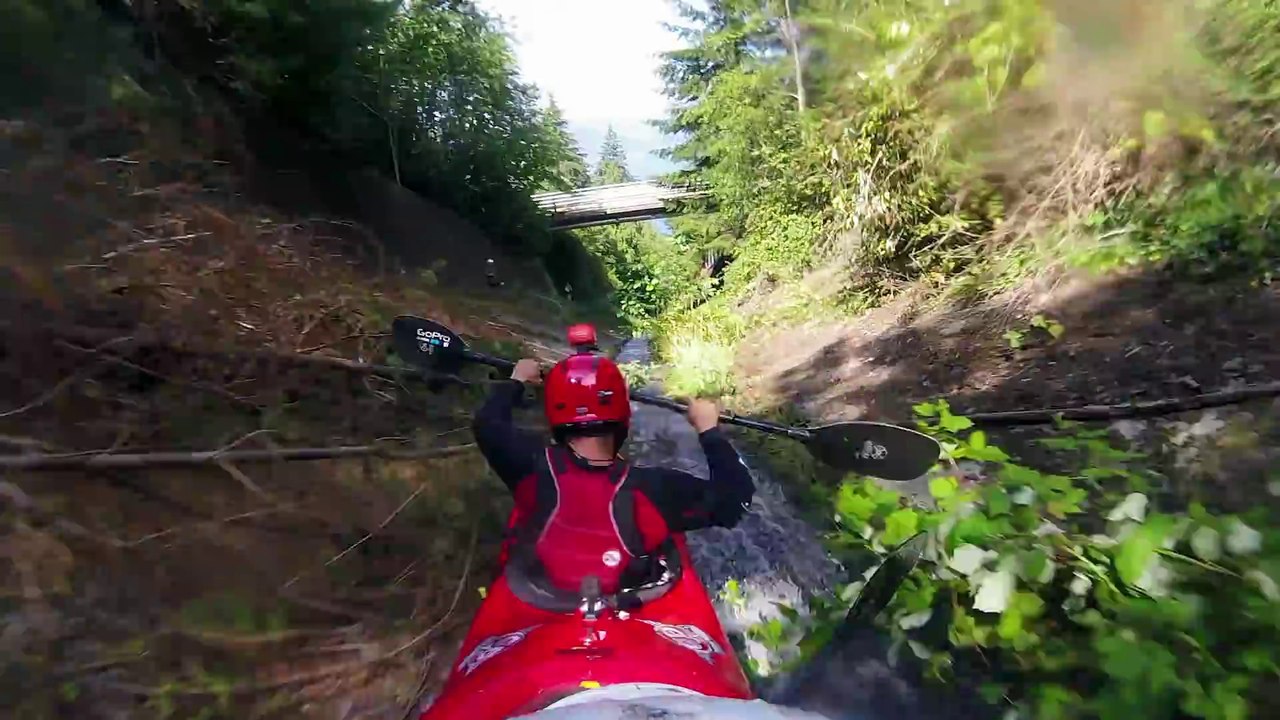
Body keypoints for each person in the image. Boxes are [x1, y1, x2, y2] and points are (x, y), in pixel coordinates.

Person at [471, 337, 755, 603]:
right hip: (626, 600)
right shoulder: (657, 490)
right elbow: (735, 501)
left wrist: (517, 380)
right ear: (624, 416)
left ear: (554, 415)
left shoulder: (526, 465)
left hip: (545, 597)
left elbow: (487, 424)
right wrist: (708, 429)